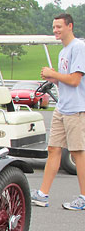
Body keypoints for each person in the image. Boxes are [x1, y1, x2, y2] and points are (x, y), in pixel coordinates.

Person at [31, 13, 85, 210]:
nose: (55, 30)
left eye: (59, 27)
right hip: (62, 107)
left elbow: (75, 80)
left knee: (78, 152)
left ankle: (83, 197)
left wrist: (54, 74)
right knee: (53, 149)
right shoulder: (63, 51)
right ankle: (43, 194)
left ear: (70, 26)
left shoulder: (78, 47)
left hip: (76, 108)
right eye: (54, 27)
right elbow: (65, 79)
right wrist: (53, 79)